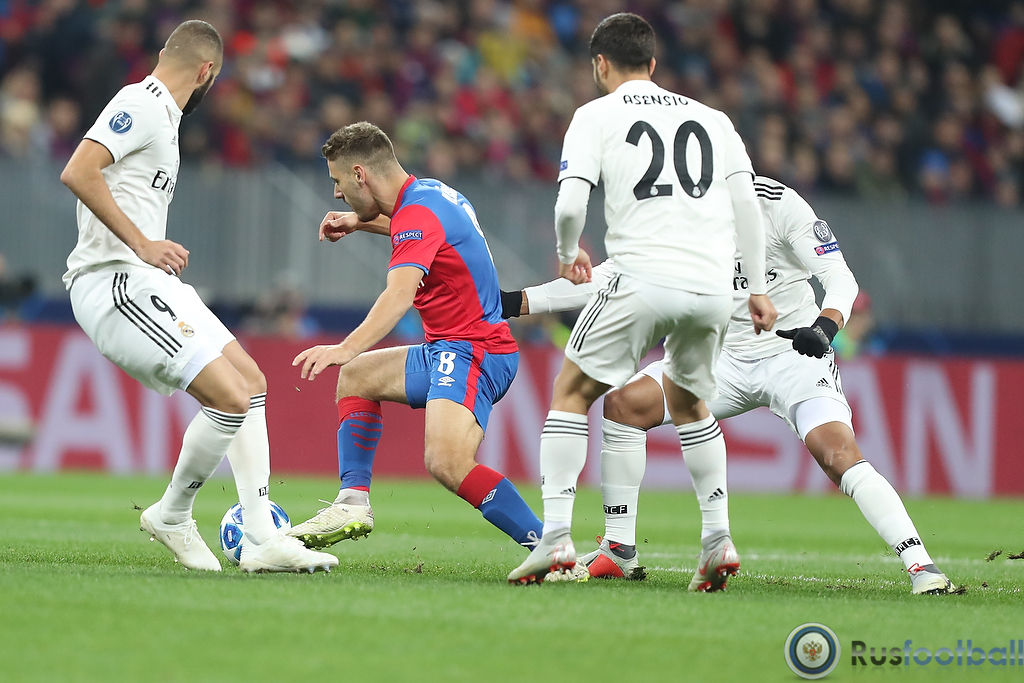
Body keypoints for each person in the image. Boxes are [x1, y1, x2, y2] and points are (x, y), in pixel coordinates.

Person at [503, 175, 956, 595]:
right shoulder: (673, 212)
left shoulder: (778, 204)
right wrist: (520, 301)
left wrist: (825, 325)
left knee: (837, 453)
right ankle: (619, 550)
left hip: (792, 354)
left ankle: (921, 566)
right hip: (718, 357)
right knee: (624, 405)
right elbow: (610, 278)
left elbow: (840, 276)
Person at [507, 13, 776, 585]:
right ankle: (717, 539)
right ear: (653, 64)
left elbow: (569, 205)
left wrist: (568, 252)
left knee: (572, 393)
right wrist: (755, 287)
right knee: (690, 404)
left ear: (600, 64)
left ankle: (555, 538)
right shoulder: (714, 119)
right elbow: (748, 207)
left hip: (641, 278)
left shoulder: (595, 115)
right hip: (713, 288)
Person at [60, 20, 337, 574]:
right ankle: (171, 514)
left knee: (251, 384)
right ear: (207, 71)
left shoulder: (164, 116)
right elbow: (78, 171)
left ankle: (262, 537)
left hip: (151, 281)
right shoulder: (141, 103)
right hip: (113, 281)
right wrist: (142, 243)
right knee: (229, 398)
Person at [286, 122, 546, 556]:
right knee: (357, 377)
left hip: (475, 351)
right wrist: (358, 222)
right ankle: (351, 504)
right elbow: (417, 227)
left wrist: (345, 346)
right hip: (449, 347)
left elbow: (399, 295)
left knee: (446, 462)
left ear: (359, 175)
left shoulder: (415, 216)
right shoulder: (430, 194)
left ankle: (550, 548)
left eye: (337, 181)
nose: (336, 193)